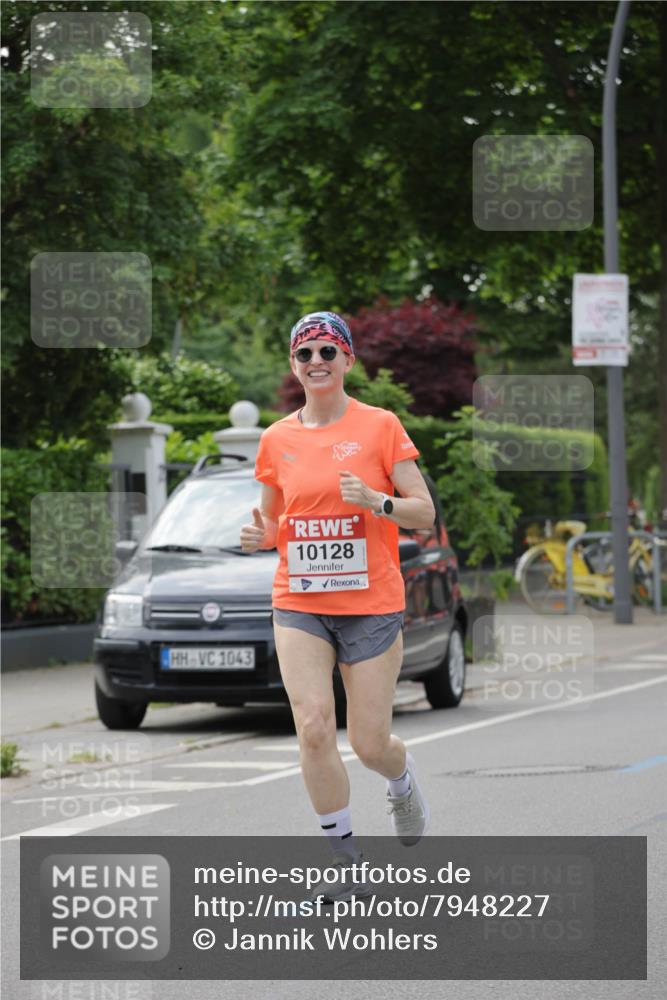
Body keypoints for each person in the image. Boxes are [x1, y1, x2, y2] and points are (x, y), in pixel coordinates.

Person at [239, 311, 435, 903]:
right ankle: (345, 860)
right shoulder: (276, 439)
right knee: (315, 729)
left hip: (371, 603)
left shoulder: (380, 426)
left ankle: (400, 780)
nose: (317, 361)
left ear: (348, 359)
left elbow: (423, 513)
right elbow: (274, 523)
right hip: (299, 601)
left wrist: (378, 500)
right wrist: (260, 537)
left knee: (370, 744)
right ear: (293, 365)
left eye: (328, 350)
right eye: (305, 354)